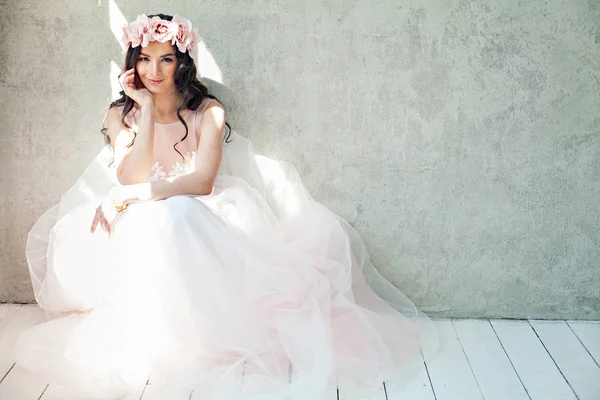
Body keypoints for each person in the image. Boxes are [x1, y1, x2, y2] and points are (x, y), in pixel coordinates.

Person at [15, 12, 437, 400]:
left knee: (174, 214)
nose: (153, 71)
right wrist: (143, 112)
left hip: (197, 212)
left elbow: (200, 182)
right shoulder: (120, 114)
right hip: (140, 219)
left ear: (182, 62)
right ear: (132, 62)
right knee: (147, 222)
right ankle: (158, 332)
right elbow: (131, 175)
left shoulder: (207, 111)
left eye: (165, 60)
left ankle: (197, 331)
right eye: (145, 59)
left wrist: (130, 196)